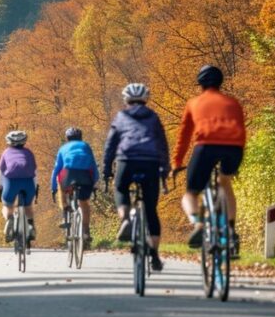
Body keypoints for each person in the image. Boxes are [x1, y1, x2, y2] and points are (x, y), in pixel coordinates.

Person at [171, 65, 246, 253]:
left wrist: (176, 163)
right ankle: (229, 231)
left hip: (206, 146)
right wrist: (237, 157)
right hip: (234, 147)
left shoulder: (194, 103)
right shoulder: (233, 102)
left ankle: (198, 224)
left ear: (200, 84)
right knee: (224, 182)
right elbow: (242, 130)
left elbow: (184, 137)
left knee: (191, 193)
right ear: (221, 82)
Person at [103, 83, 170, 272]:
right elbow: (163, 145)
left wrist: (107, 170)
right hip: (150, 163)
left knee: (121, 188)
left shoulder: (121, 117)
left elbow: (110, 145)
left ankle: (125, 219)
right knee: (151, 210)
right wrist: (164, 170)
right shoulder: (154, 118)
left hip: (126, 160)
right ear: (145, 99)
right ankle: (154, 256)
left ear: (126, 100)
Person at [50, 127, 99, 248]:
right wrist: (94, 182)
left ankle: (65, 207)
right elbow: (93, 166)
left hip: (69, 174)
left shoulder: (63, 148)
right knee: (84, 203)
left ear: (67, 139)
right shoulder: (86, 146)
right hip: (85, 176)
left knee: (60, 182)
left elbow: (56, 169)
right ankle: (86, 231)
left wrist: (53, 187)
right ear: (81, 137)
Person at [0, 130, 37, 242]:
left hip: (12, 183)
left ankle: (9, 219)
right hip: (28, 182)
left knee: (8, 205)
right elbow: (35, 172)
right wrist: (35, 188)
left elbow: (1, 171)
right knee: (28, 206)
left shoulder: (5, 153)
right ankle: (31, 225)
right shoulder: (29, 153)